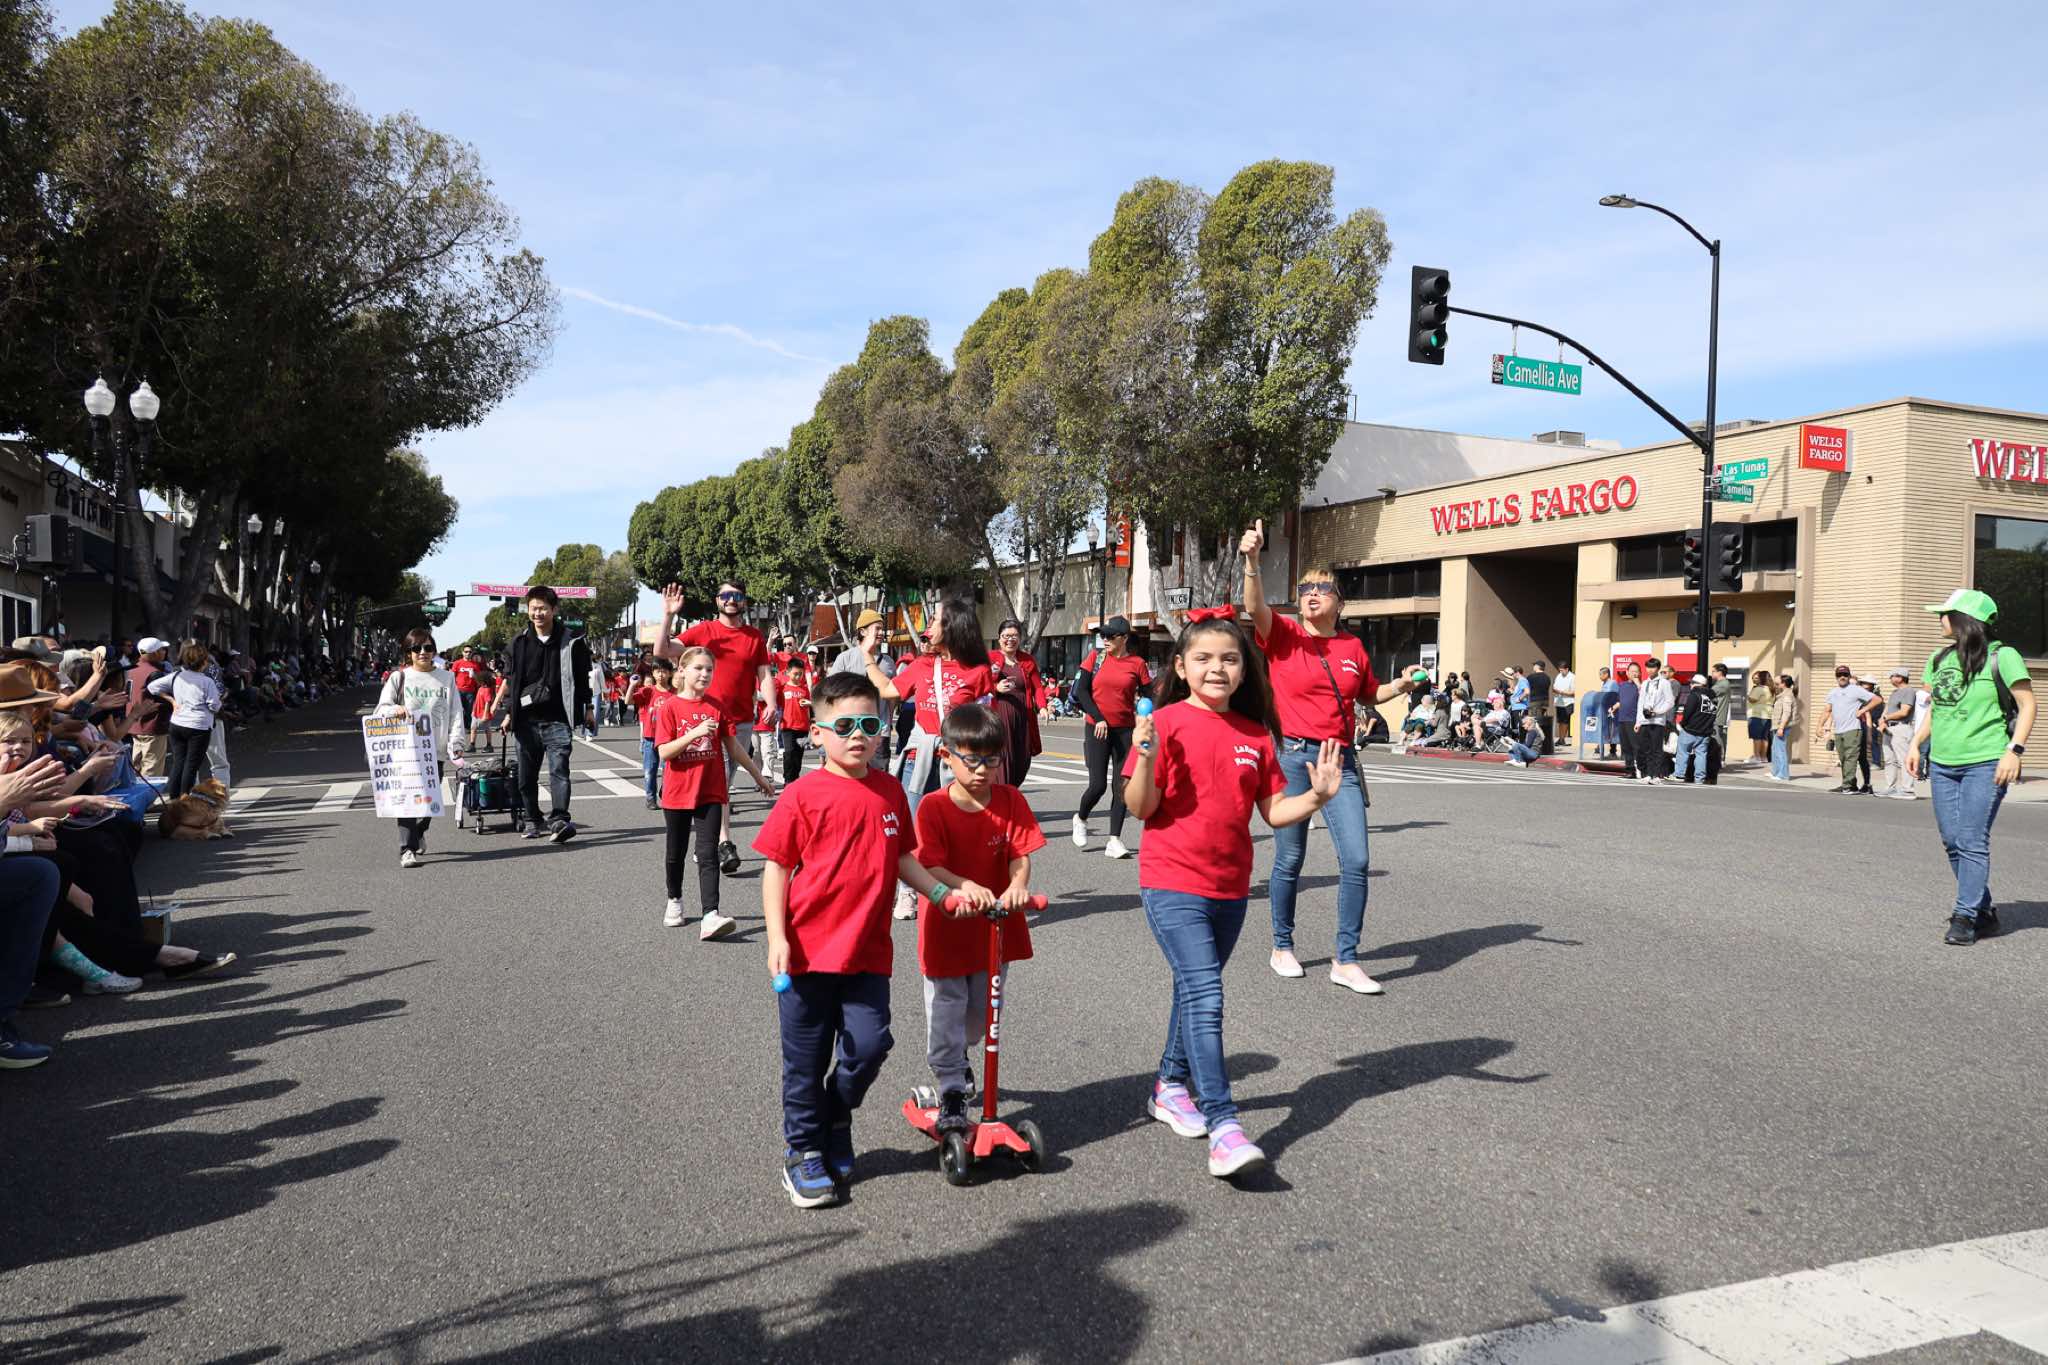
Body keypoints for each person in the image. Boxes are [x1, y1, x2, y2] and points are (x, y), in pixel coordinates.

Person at [1124, 609, 1340, 1180]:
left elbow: (1274, 812)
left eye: (1229, 658)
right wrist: (1144, 755)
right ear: (1181, 667)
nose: (1216, 668)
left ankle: (1169, 1086)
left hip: (1231, 887)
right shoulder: (1163, 723)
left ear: (1245, 670)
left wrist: (1317, 797)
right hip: (1171, 882)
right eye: (1203, 658)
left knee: (1192, 991)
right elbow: (1140, 807)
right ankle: (1224, 1126)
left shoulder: (1254, 734)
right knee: (1206, 993)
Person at [754, 670, 958, 1208]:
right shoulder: (802, 795)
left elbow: (903, 858)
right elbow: (776, 869)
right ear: (816, 732)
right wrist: (776, 937)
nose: (858, 736)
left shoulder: (889, 790)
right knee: (804, 1063)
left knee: (868, 1047)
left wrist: (940, 895)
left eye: (869, 724)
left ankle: (837, 1114)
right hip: (805, 956)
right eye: (843, 726)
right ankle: (803, 1151)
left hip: (867, 953)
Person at [1238, 522, 1418, 992]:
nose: (1312, 594)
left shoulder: (1353, 646)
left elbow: (1368, 693)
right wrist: (1252, 563)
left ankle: (1346, 959)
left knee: (1356, 859)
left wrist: (1399, 685)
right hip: (1292, 757)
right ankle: (1282, 946)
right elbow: (1254, 607)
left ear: (1340, 601)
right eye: (1305, 589)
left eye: (1322, 588)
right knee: (1290, 858)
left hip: (1339, 762)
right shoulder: (1284, 634)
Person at [911, 703, 1043, 1136]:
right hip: (948, 926)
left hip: (993, 927)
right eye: (971, 760)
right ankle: (951, 1086)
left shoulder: (1010, 800)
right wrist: (963, 886)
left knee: (982, 1015)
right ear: (946, 755)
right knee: (947, 1008)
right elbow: (930, 864)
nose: (983, 770)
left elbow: (1020, 854)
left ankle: (959, 1058)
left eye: (992, 759)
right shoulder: (933, 807)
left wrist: (1018, 885)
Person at [1908, 589, 2034, 946]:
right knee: (1952, 840)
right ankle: (1984, 909)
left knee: (1971, 839)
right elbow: (1938, 708)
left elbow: (2028, 705)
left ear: (1966, 619)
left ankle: (1965, 916)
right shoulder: (1938, 658)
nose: (1940, 619)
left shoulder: (2003, 656)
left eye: (1945, 613)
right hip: (1943, 763)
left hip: (1986, 761)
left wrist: (2014, 750)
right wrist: (1917, 743)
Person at [860, 596, 996, 918]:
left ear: (953, 626)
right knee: (912, 828)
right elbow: (888, 690)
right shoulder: (922, 665)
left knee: (957, 829)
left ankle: (955, 891)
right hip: (918, 758)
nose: (928, 625)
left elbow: (984, 721)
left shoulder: (978, 671)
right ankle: (907, 893)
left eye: (934, 619)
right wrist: (867, 657)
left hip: (957, 761)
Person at [657, 581, 773, 876]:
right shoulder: (703, 631)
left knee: (722, 780)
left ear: (744, 601)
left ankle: (706, 842)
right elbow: (663, 649)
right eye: (726, 595)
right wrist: (668, 615)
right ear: (717, 600)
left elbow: (764, 674)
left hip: (741, 719)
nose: (731, 600)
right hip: (705, 717)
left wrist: (771, 703)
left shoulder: (754, 637)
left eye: (737, 596)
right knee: (719, 781)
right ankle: (723, 844)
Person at [655, 646, 770, 938]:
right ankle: (674, 900)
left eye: (709, 669)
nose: (705, 674)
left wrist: (759, 777)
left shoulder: (717, 707)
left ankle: (711, 914)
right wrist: (694, 733)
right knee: (676, 852)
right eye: (698, 668)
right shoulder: (670, 707)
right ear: (682, 670)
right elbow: (665, 752)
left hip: (711, 791)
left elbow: (735, 748)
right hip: (678, 792)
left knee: (707, 854)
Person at [492, 585, 593, 844]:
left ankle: (559, 820)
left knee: (559, 771)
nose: (537, 613)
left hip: (558, 719)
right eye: (533, 608)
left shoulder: (572, 641)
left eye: (543, 608)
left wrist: (589, 708)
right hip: (526, 721)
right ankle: (533, 819)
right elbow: (511, 682)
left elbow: (582, 678)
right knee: (526, 777)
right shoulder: (518, 643)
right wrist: (508, 714)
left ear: (554, 609)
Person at [373, 629, 467, 869]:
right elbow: (381, 708)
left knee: (429, 802)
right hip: (406, 752)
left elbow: (456, 712)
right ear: (409, 653)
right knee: (407, 801)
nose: (423, 652)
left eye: (427, 647)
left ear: (434, 651)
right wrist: (395, 709)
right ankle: (407, 849)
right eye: (417, 648)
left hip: (435, 749)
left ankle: (420, 830)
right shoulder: (399, 678)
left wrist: (456, 742)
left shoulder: (447, 678)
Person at [1071, 616, 1151, 860]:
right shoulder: (1095, 658)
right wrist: (1098, 718)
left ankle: (1114, 840)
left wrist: (1146, 717)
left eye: (1110, 636)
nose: (1104, 639)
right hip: (1097, 728)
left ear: (1124, 638)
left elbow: (1149, 695)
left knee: (1122, 787)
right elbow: (1081, 692)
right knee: (1098, 786)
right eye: (1102, 635)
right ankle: (1081, 818)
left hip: (1125, 731)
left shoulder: (1137, 664)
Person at [147, 643, 222, 800]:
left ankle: (174, 798)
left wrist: (171, 700)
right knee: (191, 765)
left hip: (177, 723)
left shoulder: (176, 676)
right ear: (203, 662)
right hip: (199, 726)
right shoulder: (207, 681)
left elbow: (152, 687)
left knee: (179, 762)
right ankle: (185, 797)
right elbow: (214, 705)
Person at [988, 619, 1048, 786]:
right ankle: (1003, 795)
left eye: (1014, 636)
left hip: (1024, 717)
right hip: (1000, 716)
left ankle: (1010, 791)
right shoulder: (990, 658)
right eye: (1006, 636)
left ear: (1020, 638)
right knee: (1004, 760)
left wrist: (1042, 707)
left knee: (1023, 761)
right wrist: (996, 687)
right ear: (999, 638)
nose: (1010, 640)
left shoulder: (1027, 660)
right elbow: (979, 684)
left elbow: (1037, 687)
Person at [1821, 665, 1877, 794]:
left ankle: (1865, 784)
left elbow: (1868, 716)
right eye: (1840, 675)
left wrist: (1869, 734)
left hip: (1858, 728)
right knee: (1847, 758)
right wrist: (1826, 727)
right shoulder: (1837, 694)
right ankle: (1851, 784)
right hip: (1844, 730)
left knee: (1860, 758)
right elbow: (1832, 712)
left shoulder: (1859, 694)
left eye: (1846, 675)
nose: (1843, 677)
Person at [629, 658, 673, 810]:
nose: (661, 674)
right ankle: (650, 798)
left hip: (669, 739)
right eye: (658, 671)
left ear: (670, 673)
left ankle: (665, 791)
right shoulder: (648, 691)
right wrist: (632, 685)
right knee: (650, 770)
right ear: (653, 673)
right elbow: (629, 701)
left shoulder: (675, 692)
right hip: (650, 738)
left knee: (670, 770)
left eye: (664, 671)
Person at [125, 637, 172, 777]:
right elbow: (164, 699)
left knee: (136, 767)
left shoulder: (131, 669)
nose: (164, 652)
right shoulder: (154, 673)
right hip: (152, 724)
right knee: (152, 768)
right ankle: (149, 792)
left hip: (134, 724)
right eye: (161, 650)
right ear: (155, 652)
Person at [1879, 668, 1928, 800]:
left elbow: (1904, 711)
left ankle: (1908, 790)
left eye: (1892, 676)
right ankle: (1890, 787)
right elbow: (1887, 709)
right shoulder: (1895, 692)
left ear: (1900, 677)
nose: (1890, 679)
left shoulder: (1908, 691)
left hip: (1901, 728)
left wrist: (1885, 718)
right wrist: (1882, 720)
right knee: (1889, 760)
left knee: (1903, 760)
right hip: (1889, 728)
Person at [774, 655, 813, 786]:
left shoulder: (804, 689)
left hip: (802, 727)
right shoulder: (783, 688)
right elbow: (776, 705)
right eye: (795, 674)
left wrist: (809, 705)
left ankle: (795, 778)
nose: (798, 677)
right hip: (787, 727)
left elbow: (809, 707)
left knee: (798, 755)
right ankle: (788, 779)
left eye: (800, 674)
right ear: (788, 672)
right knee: (789, 753)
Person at [1673, 672, 1718, 784]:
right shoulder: (1713, 698)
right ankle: (1700, 778)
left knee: (1683, 752)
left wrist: (1683, 724)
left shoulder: (1694, 695)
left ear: (1696, 684)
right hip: (1705, 731)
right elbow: (1713, 714)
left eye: (1692, 683)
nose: (1690, 685)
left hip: (1691, 729)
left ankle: (1679, 774)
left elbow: (1688, 712)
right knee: (1701, 755)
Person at [1634, 659, 1673, 784]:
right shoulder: (1645, 683)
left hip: (1657, 720)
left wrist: (1657, 712)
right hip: (1645, 721)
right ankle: (1646, 774)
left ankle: (1655, 775)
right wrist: (1638, 721)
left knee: (1656, 748)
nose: (1650, 670)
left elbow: (1670, 702)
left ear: (1658, 669)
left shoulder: (1664, 683)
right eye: (1648, 667)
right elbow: (1640, 703)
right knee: (1645, 748)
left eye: (1653, 667)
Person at [451, 647, 486, 738]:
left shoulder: (475, 664)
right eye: (466, 651)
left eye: (470, 652)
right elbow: (452, 676)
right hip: (459, 690)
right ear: (463, 652)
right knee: (458, 710)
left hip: (470, 691)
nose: (468, 653)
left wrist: (474, 675)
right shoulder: (457, 663)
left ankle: (467, 727)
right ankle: (457, 727)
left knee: (469, 710)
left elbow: (479, 678)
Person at [1524, 660, 1552, 753]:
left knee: (1533, 723)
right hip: (1545, 701)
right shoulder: (1547, 677)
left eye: (1534, 665)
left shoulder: (1531, 677)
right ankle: (1541, 743)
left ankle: (1536, 743)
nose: (1533, 667)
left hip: (1535, 702)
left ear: (1537, 666)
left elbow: (1526, 688)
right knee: (1540, 722)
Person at [1746, 669, 1774, 763]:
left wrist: (1747, 695)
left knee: (1757, 737)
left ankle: (1756, 757)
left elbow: (1752, 699)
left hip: (1757, 715)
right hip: (1768, 716)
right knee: (1764, 737)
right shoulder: (1771, 689)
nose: (1755, 680)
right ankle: (1764, 757)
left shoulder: (1759, 689)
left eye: (1757, 678)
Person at [1553, 660, 1576, 747]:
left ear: (1567, 669)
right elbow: (1554, 687)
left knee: (1565, 721)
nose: (1561, 672)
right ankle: (1560, 738)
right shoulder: (1559, 676)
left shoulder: (1572, 677)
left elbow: (1574, 692)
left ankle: (1562, 738)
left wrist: (1562, 692)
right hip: (1559, 701)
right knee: (1560, 721)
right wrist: (1555, 690)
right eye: (1560, 670)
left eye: (1562, 670)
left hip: (1568, 702)